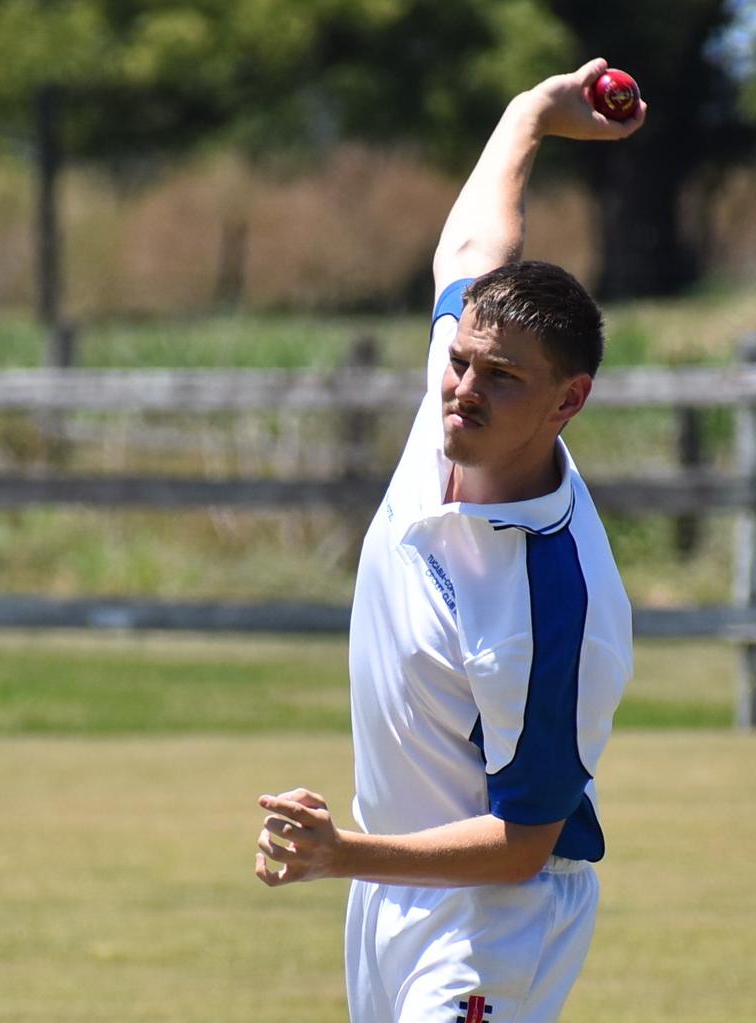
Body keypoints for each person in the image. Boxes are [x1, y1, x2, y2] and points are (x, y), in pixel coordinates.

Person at [256, 57, 646, 1023]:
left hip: (493, 917)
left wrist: (341, 852)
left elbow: (524, 839)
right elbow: (477, 240)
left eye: (500, 377)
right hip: (391, 889)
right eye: (460, 359)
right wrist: (529, 115)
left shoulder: (556, 606)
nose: (462, 387)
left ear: (569, 400)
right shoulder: (456, 397)